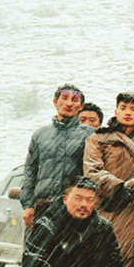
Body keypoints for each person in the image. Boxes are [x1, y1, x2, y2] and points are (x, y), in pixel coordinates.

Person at [83, 92, 134, 265]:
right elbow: (92, 171)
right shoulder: (98, 138)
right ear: (116, 111)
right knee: (105, 256)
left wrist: (130, 192)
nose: (128, 112)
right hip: (108, 205)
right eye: (123, 108)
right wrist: (118, 189)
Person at [21, 84, 94, 228]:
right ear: (55, 102)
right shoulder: (40, 135)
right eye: (64, 98)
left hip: (76, 208)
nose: (69, 103)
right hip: (43, 207)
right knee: (39, 243)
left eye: (74, 100)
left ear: (81, 106)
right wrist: (28, 205)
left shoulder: (90, 134)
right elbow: (30, 172)